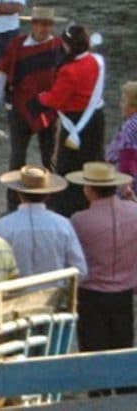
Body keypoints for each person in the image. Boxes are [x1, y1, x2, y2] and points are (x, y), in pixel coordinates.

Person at [0, 6, 66, 211]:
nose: (44, 29)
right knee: (17, 158)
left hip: (50, 110)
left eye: (48, 25)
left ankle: (51, 205)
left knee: (50, 160)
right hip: (20, 110)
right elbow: (1, 77)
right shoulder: (16, 47)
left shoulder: (59, 48)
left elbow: (66, 81)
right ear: (33, 25)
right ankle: (13, 205)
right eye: (40, 24)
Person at [68, 161, 137, 392]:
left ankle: (100, 397)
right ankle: (126, 395)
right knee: (123, 344)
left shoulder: (79, 220)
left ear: (89, 189)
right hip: (125, 292)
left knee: (94, 350)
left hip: (92, 293)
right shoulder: (133, 212)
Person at [38, 23, 106, 217]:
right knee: (93, 159)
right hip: (95, 120)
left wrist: (41, 97)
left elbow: (55, 99)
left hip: (74, 122)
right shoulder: (98, 61)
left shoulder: (69, 70)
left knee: (69, 165)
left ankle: (69, 207)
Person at [0, 166, 86, 279]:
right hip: (55, 294)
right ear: (48, 194)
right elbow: (80, 270)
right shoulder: (63, 224)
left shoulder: (2, 226)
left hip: (15, 294)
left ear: (18, 193)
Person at [106, 80, 137, 199]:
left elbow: (128, 156)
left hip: (129, 182)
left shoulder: (130, 126)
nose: (121, 105)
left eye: (124, 101)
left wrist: (125, 184)